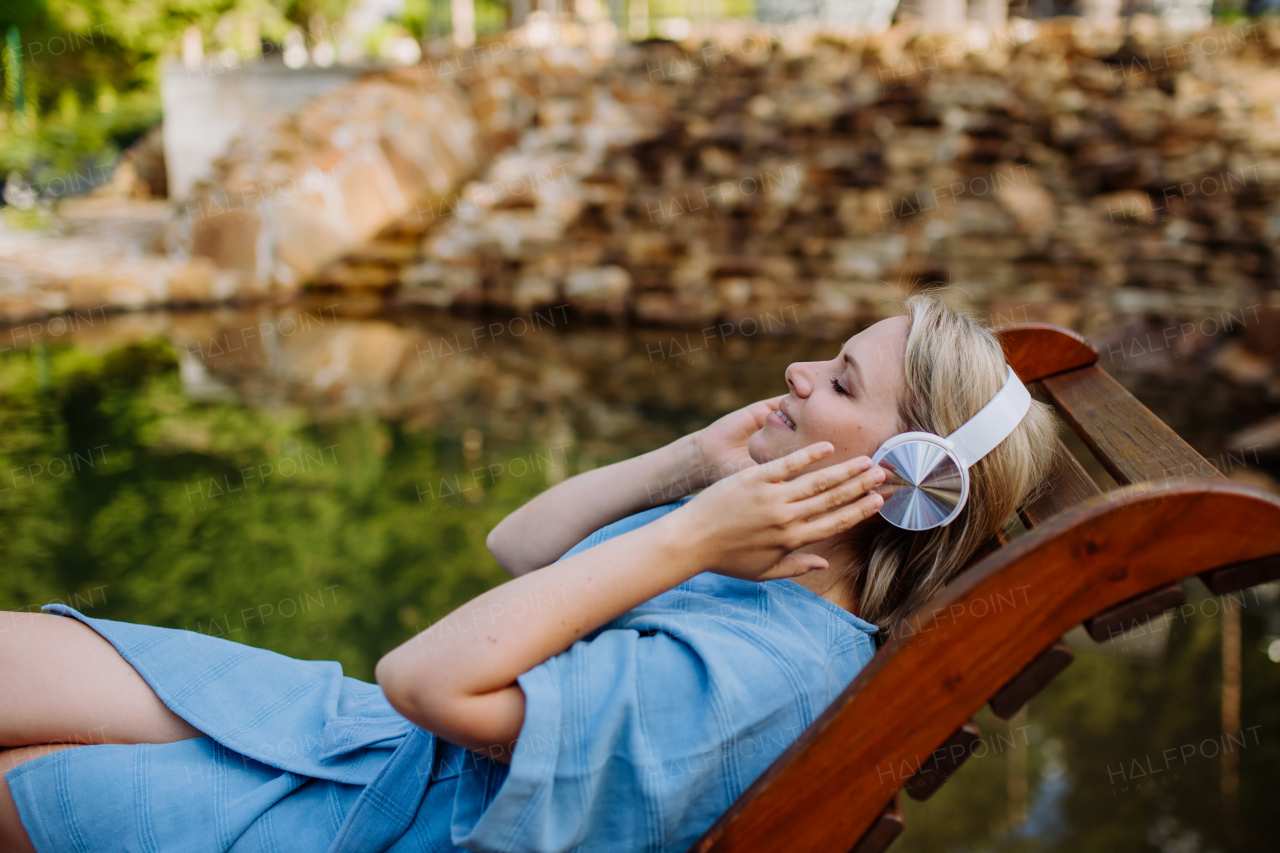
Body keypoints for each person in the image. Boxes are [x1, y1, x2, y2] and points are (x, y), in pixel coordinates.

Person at [0, 287, 1059, 853]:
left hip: (376, 821)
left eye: (835, 380)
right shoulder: (763, 557)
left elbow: (426, 678)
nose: (794, 372)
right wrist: (690, 467)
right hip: (366, 741)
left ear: (902, 476)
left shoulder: (752, 677)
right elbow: (520, 545)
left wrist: (684, 538)